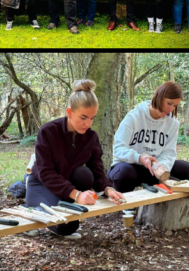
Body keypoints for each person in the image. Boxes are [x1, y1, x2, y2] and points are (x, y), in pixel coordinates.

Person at [27, 80, 126, 239]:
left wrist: (109, 189)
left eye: (92, 118)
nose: (88, 124)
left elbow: (97, 171)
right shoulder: (48, 131)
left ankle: (58, 204)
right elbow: (46, 173)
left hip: (67, 186)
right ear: (69, 112)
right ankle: (32, 208)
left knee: (84, 175)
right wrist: (77, 195)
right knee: (62, 224)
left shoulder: (91, 137)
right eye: (83, 117)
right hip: (42, 183)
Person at [109, 81, 189, 192]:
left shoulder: (173, 123)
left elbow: (169, 152)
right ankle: (128, 206)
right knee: (124, 173)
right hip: (130, 167)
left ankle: (161, 195)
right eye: (169, 103)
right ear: (159, 97)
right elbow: (118, 149)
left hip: (154, 170)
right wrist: (139, 157)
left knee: (185, 169)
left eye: (175, 105)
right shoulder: (134, 116)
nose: (171, 109)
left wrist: (161, 168)